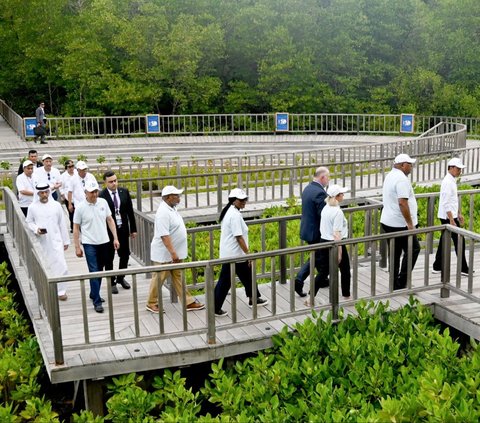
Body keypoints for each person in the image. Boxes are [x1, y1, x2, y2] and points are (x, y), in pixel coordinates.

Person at [146, 186, 205, 314]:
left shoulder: (172, 208)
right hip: (166, 254)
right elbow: (164, 235)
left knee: (179, 276)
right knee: (159, 278)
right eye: (176, 195)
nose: (179, 197)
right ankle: (151, 303)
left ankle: (188, 302)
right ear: (168, 197)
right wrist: (173, 253)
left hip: (175, 253)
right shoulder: (163, 212)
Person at [214, 188, 268, 317]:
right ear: (234, 201)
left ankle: (254, 298)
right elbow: (239, 237)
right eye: (241, 200)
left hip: (233, 253)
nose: (244, 202)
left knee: (247, 275)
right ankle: (215, 307)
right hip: (234, 255)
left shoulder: (231, 211)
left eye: (245, 199)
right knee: (225, 281)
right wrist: (248, 254)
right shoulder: (234, 215)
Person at [73, 180, 119, 313]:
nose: (94, 194)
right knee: (94, 271)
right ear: (85, 192)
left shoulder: (103, 202)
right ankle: (97, 301)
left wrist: (115, 238)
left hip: (104, 241)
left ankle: (94, 293)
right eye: (91, 192)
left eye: (96, 191)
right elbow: (76, 228)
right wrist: (77, 246)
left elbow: (110, 220)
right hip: (89, 243)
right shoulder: (80, 207)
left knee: (101, 269)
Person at [380, 153, 421, 290]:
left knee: (395, 253)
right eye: (410, 165)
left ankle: (394, 283)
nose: (411, 167)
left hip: (388, 221)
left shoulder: (390, 175)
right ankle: (401, 281)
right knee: (414, 249)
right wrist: (410, 224)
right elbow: (403, 202)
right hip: (399, 224)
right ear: (403, 165)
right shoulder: (402, 179)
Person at [308, 184, 351, 304]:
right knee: (345, 269)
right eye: (342, 194)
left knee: (323, 272)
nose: (343, 195)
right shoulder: (337, 212)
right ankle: (346, 295)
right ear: (337, 197)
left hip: (324, 242)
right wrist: (340, 252)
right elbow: (337, 234)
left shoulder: (326, 208)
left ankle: (311, 296)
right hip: (335, 243)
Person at [26, 183, 69, 300]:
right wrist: (36, 229)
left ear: (49, 192)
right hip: (42, 241)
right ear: (38, 193)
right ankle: (46, 290)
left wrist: (66, 241)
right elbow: (29, 222)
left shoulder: (56, 205)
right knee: (45, 266)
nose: (44, 195)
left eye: (46, 192)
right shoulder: (32, 207)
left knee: (61, 264)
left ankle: (61, 291)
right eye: (41, 193)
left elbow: (62, 224)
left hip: (56, 241)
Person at [294, 166, 330, 297]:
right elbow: (324, 214)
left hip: (307, 229)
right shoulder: (320, 193)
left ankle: (323, 279)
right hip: (316, 231)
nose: (328, 180)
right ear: (322, 177)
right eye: (328, 177)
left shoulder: (307, 189)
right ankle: (299, 279)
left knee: (317, 256)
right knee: (317, 257)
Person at [99, 171, 137, 294]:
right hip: (108, 231)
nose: (114, 183)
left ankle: (121, 277)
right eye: (111, 181)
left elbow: (130, 212)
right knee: (108, 257)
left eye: (115, 180)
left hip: (123, 228)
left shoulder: (124, 192)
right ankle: (111, 282)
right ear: (105, 183)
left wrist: (133, 229)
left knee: (125, 254)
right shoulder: (101, 195)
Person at [432, 158, 470, 276]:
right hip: (448, 216)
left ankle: (437, 266)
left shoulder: (451, 180)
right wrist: (452, 219)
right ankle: (463, 268)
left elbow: (453, 200)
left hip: (451, 215)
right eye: (458, 169)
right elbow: (446, 202)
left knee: (445, 241)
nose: (460, 171)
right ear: (451, 168)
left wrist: (458, 214)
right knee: (460, 240)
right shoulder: (448, 182)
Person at [67, 161, 96, 232]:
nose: (83, 172)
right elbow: (70, 192)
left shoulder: (91, 176)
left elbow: (96, 188)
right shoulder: (73, 179)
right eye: (81, 170)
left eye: (84, 170)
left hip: (90, 202)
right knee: (82, 221)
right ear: (77, 170)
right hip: (79, 203)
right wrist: (70, 204)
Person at [60, 160, 76, 231]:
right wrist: (63, 195)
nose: (71, 168)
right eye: (69, 167)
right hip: (68, 198)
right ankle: (73, 227)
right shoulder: (63, 176)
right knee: (71, 213)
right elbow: (61, 187)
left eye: (72, 166)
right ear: (66, 168)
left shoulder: (77, 173)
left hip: (77, 197)